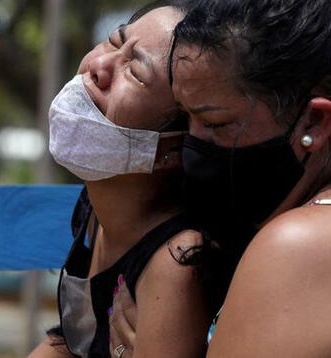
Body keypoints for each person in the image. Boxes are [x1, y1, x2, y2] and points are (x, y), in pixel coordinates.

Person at [109, 0, 331, 356]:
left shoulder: (295, 245)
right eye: (184, 119)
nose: (193, 146)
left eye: (216, 124)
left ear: (314, 123)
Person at [29, 1, 230, 357]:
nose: (99, 65)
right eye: (112, 41)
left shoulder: (177, 262)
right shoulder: (96, 209)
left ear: (174, 146)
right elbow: (70, 342)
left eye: (136, 72)